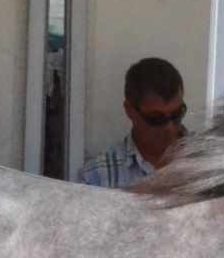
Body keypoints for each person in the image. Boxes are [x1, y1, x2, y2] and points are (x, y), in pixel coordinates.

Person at [75, 58, 186, 189]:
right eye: (156, 118)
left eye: (177, 114)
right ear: (130, 110)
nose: (169, 127)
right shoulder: (95, 178)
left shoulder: (206, 163)